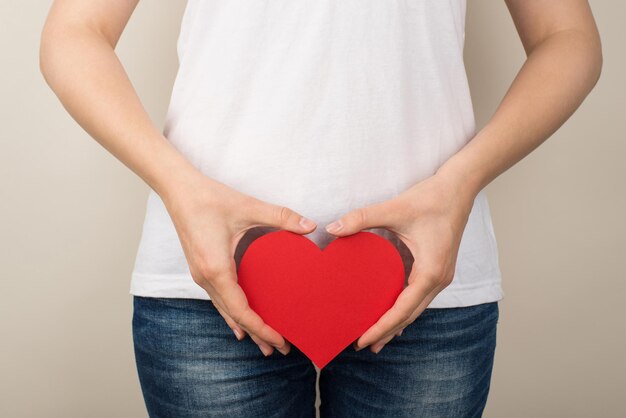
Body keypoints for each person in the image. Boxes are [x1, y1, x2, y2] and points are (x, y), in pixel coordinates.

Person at [39, 0, 602, 416]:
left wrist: (462, 183)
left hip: (424, 285)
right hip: (208, 284)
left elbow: (567, 35)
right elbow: (75, 30)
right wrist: (179, 188)